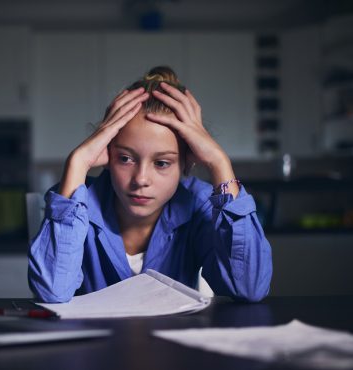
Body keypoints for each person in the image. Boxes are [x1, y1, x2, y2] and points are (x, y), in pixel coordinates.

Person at [28, 66, 272, 303]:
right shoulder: (76, 199)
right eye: (125, 158)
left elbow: (249, 288)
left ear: (186, 164)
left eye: (162, 163)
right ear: (106, 155)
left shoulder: (200, 205)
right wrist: (79, 162)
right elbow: (52, 291)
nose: (141, 179)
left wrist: (219, 163)